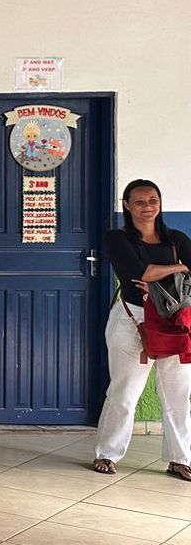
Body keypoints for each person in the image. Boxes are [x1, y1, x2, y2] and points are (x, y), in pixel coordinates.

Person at [95, 179, 191, 479]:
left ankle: (180, 459)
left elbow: (151, 274)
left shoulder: (176, 238)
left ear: (160, 203)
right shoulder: (118, 238)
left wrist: (168, 272)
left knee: (178, 394)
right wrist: (180, 267)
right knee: (124, 392)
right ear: (126, 205)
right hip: (132, 319)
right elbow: (140, 272)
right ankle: (107, 454)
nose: (147, 206)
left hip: (174, 322)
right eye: (139, 201)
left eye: (153, 200)